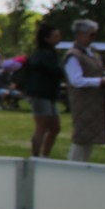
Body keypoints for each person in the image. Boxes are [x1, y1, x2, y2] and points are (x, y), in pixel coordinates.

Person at [63, 18, 105, 162]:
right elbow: (76, 80)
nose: (94, 38)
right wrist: (100, 81)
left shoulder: (92, 53)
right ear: (80, 34)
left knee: (88, 139)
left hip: (94, 102)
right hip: (83, 102)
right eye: (91, 34)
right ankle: (72, 168)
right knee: (81, 138)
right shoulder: (73, 55)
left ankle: (81, 166)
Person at [24, 22, 65, 158]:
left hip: (49, 94)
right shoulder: (43, 55)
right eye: (56, 36)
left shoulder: (48, 54)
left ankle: (45, 155)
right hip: (40, 94)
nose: (58, 39)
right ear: (46, 38)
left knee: (55, 127)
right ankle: (35, 156)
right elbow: (55, 71)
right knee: (41, 126)